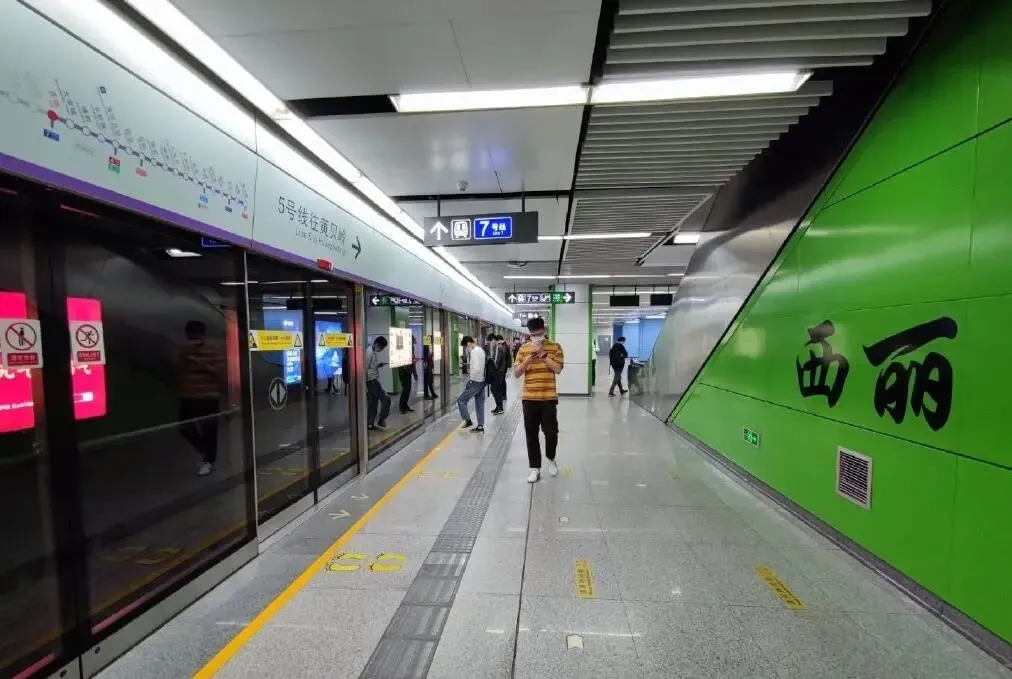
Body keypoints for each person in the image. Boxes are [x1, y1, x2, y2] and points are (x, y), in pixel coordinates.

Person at [514, 317, 564, 483]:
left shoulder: (555, 347)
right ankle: (534, 468)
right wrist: (528, 359)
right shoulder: (523, 349)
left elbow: (558, 369)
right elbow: (517, 373)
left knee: (551, 433)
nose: (537, 337)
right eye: (534, 335)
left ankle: (551, 457)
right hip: (529, 398)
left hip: (548, 398)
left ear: (544, 330)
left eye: (540, 334)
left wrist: (543, 355)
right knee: (531, 434)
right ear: (530, 333)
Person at [178, 320, 225, 476]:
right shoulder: (184, 350)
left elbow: (220, 372)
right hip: (188, 395)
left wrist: (198, 361)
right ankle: (207, 453)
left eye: (195, 336)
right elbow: (179, 370)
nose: (193, 339)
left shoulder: (213, 350)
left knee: (208, 429)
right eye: (190, 336)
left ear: (203, 335)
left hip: (208, 396)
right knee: (184, 427)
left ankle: (209, 460)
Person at [456, 335, 486, 433]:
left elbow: (476, 368)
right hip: (482, 380)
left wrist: (471, 380)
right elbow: (480, 365)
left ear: (468, 343)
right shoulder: (480, 350)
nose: (466, 349)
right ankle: (480, 426)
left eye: (465, 346)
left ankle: (467, 420)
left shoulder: (474, 352)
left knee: (461, 400)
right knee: (479, 404)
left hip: (475, 381)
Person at [365, 336, 391, 430]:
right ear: (377, 344)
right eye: (382, 347)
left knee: (373, 403)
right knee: (386, 399)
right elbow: (364, 367)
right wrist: (365, 385)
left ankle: (370, 424)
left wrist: (379, 365)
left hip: (371, 380)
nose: (381, 350)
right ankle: (381, 420)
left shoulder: (372, 351)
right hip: (371, 381)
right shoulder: (369, 352)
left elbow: (371, 366)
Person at [489, 334, 509, 415]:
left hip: (498, 372)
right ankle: (498, 407)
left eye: (491, 341)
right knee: (495, 390)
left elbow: (496, 362)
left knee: (495, 390)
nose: (490, 343)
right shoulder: (498, 347)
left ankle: (500, 408)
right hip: (499, 372)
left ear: (494, 340)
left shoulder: (498, 348)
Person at [398, 335, 418, 414]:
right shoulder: (404, 348)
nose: (413, 343)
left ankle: (405, 405)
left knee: (408, 389)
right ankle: (401, 407)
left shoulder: (411, 348)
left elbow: (412, 359)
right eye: (412, 341)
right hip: (404, 371)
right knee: (406, 389)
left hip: (408, 371)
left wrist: (414, 372)